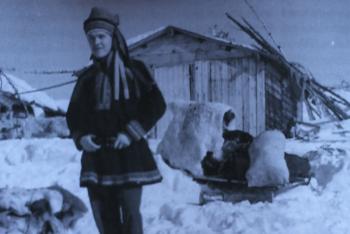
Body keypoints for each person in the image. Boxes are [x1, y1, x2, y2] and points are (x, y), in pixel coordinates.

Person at [66, 7, 166, 234]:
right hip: (97, 158)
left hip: (128, 155)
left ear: (113, 38)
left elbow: (156, 104)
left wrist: (130, 133)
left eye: (101, 36)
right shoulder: (87, 78)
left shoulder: (135, 70)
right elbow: (73, 115)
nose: (96, 42)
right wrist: (81, 137)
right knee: (104, 219)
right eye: (91, 38)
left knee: (131, 218)